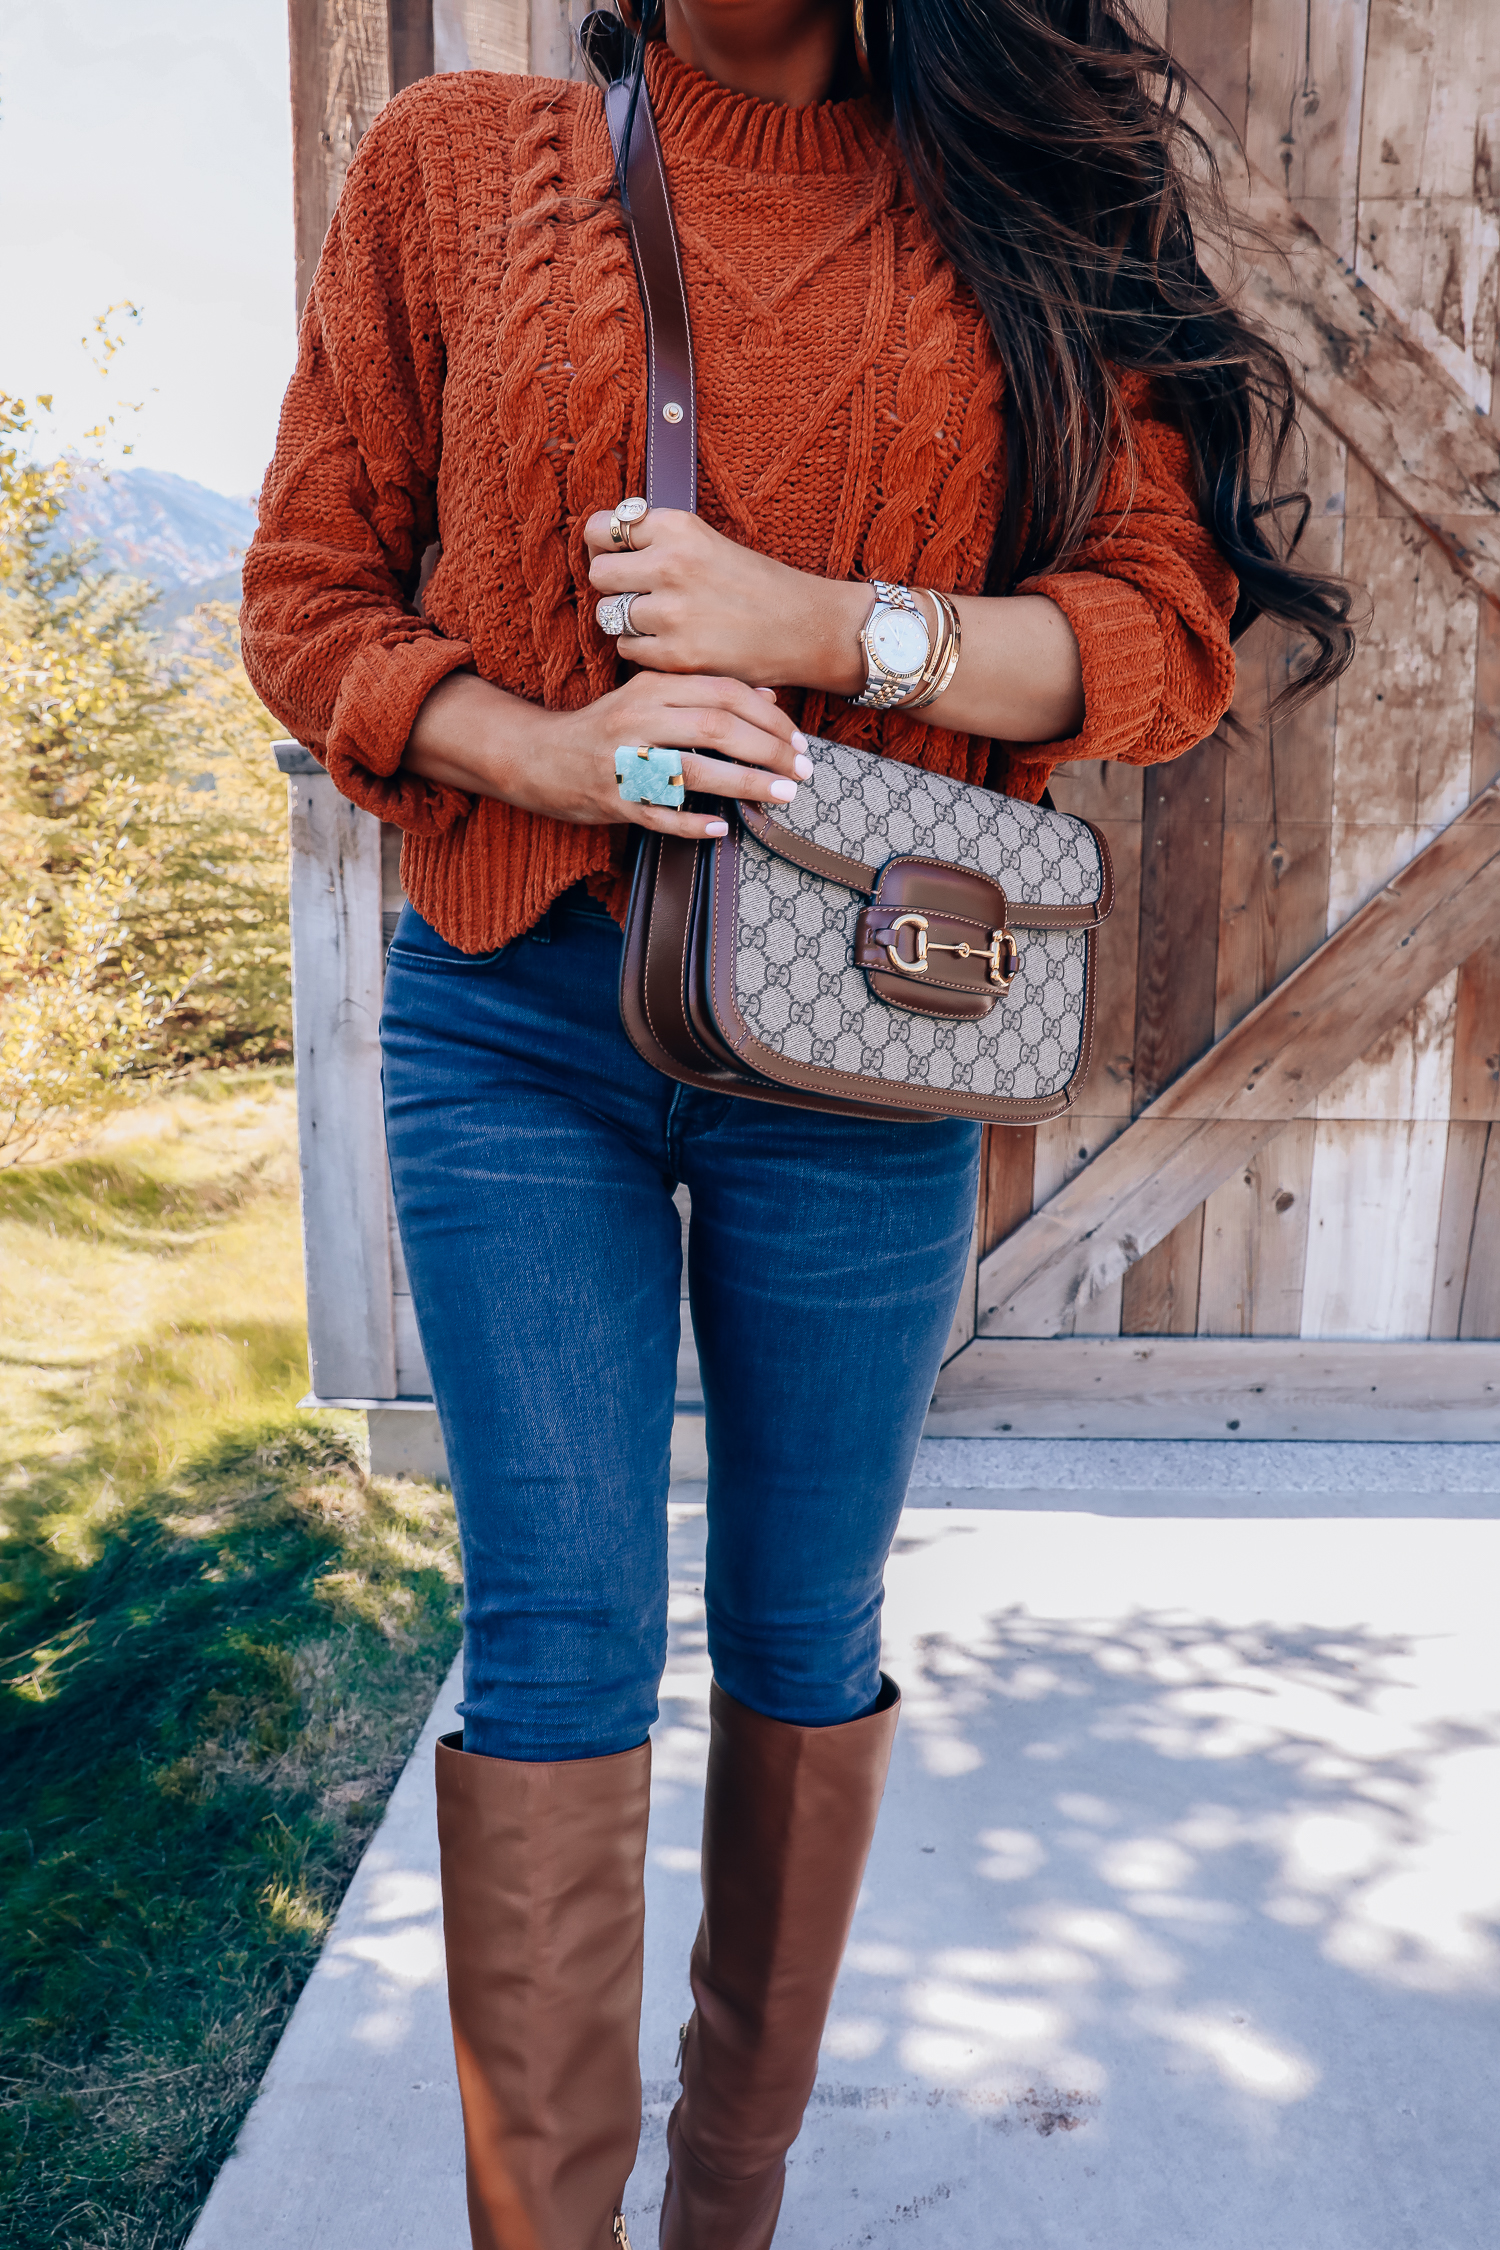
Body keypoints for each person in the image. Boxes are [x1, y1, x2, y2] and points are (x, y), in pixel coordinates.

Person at [241, 3, 1354, 2244]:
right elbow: (306, 604)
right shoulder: (456, 165)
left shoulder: (1029, 198)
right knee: (551, 1635)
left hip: (866, 1046)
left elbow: (1156, 641)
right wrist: (555, 754)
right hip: (515, 1019)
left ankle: (722, 2206)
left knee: (798, 1631)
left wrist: (832, 631)